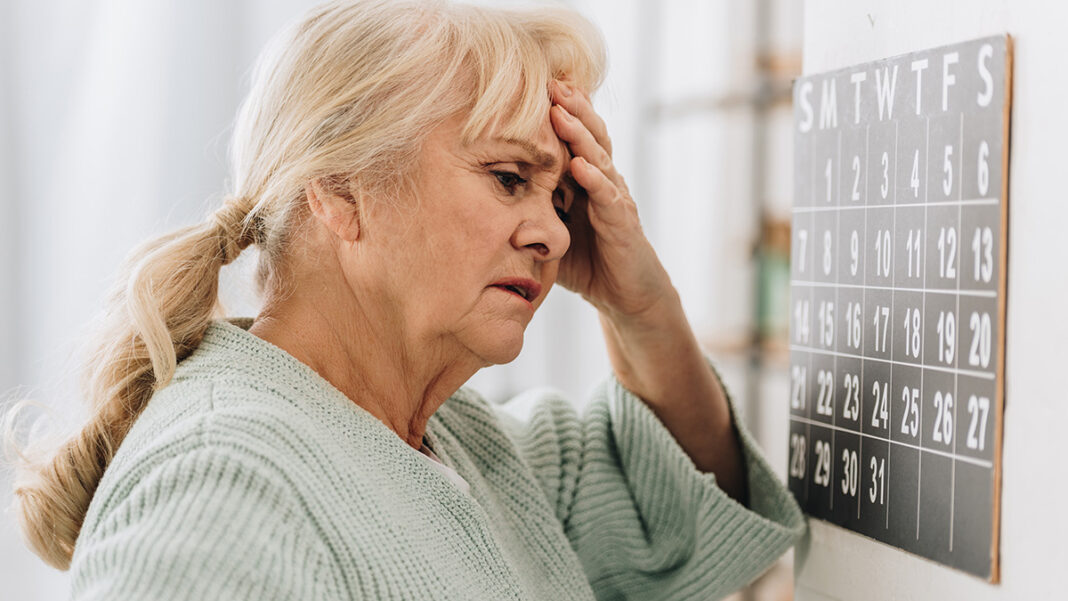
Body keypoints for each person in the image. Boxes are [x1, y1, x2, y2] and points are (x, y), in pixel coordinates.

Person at [8, 0, 804, 599]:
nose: (557, 236)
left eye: (560, 198)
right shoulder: (223, 481)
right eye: (508, 178)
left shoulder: (472, 449)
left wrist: (640, 304)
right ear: (341, 190)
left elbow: (681, 508)